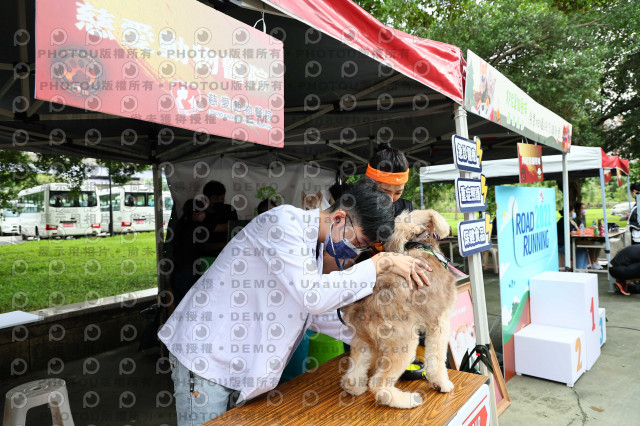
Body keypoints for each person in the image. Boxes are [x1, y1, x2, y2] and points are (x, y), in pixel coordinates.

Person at [158, 181, 432, 424]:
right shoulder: (283, 223)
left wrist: (383, 337)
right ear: (339, 218)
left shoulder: (313, 249)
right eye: (358, 242)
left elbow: (314, 313)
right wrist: (379, 263)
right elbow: (313, 298)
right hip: (205, 355)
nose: (354, 253)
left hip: (239, 359)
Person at [172, 199, 208, 306]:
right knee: (189, 303)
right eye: (201, 211)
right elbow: (201, 246)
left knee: (181, 304)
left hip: (178, 269)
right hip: (187, 270)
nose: (203, 214)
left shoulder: (181, 223)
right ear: (195, 213)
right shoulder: (193, 228)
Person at [363, 142, 415, 217]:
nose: (390, 199)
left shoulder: (406, 208)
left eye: (398, 193)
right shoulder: (353, 209)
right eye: (385, 191)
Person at [201, 180, 238, 257]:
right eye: (216, 198)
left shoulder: (229, 210)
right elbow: (202, 246)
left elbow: (235, 229)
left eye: (222, 198)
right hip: (208, 258)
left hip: (229, 256)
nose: (220, 201)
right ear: (206, 198)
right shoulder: (200, 215)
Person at [557, 206, 588, 270]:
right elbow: (571, 232)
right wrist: (579, 231)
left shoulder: (569, 221)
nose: (574, 213)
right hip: (563, 246)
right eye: (573, 211)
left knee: (583, 249)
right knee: (580, 249)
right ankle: (579, 269)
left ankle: (583, 269)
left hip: (568, 244)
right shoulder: (564, 221)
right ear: (569, 212)